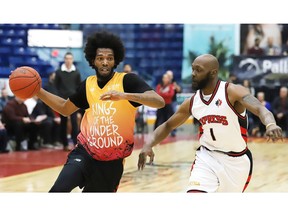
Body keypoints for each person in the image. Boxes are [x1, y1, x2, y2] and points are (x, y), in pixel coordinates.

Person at [36, 31, 165, 192]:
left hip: (112, 161)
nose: (105, 62)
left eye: (109, 58)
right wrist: (37, 91)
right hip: (84, 153)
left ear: (115, 61)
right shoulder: (87, 85)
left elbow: (159, 101)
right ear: (93, 61)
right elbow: (64, 108)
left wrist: (124, 96)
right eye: (100, 58)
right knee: (57, 191)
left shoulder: (127, 81)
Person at [138, 54, 283, 193]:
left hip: (236, 161)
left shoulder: (232, 92)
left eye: (198, 70)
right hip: (207, 157)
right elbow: (168, 125)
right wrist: (148, 144)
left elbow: (259, 108)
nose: (193, 73)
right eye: (193, 69)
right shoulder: (193, 102)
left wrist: (270, 124)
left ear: (213, 73)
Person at [54, 52, 81, 151]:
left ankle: (75, 143)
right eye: (67, 58)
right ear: (64, 60)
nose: (68, 60)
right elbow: (56, 86)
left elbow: (78, 87)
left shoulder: (76, 72)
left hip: (73, 101)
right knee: (63, 123)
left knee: (74, 122)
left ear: (72, 60)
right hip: (62, 101)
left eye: (70, 58)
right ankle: (64, 144)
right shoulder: (59, 72)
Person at [166, 70, 182, 137]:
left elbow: (179, 91)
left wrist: (176, 87)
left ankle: (173, 131)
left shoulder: (174, 83)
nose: (169, 77)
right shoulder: (164, 83)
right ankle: (165, 132)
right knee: (165, 117)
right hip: (166, 102)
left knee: (174, 117)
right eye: (168, 76)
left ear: (172, 76)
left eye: (170, 76)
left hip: (173, 102)